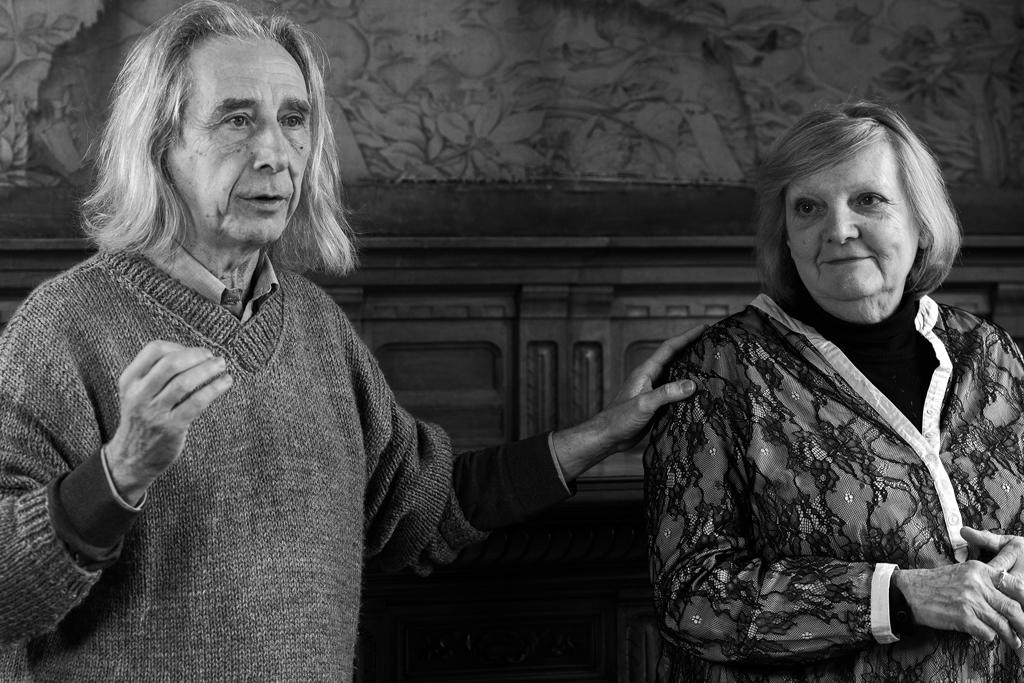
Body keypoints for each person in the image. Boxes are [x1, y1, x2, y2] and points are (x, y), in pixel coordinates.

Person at [0, 1, 702, 680]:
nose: (275, 153)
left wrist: (604, 432)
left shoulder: (316, 325)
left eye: (293, 120)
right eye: (237, 119)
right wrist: (120, 472)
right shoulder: (63, 326)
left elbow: (424, 507)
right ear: (160, 145)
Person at [645, 101, 1024, 682]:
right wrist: (899, 596)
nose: (839, 229)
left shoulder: (992, 354)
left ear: (922, 220)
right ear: (786, 236)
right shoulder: (721, 370)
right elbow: (689, 598)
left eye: (868, 200)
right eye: (808, 207)